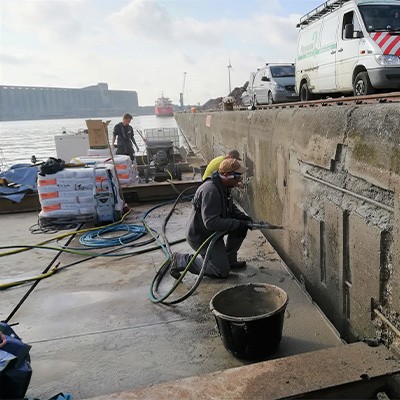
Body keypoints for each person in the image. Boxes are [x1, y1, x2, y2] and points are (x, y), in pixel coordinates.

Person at [169, 158, 252, 279]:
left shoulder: (224, 186)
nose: (239, 180)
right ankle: (182, 260)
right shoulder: (210, 190)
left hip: (212, 232)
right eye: (237, 176)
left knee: (241, 226)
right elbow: (211, 222)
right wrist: (237, 223)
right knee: (221, 271)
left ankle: (229, 259)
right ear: (226, 175)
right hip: (202, 236)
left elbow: (230, 206)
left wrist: (242, 218)